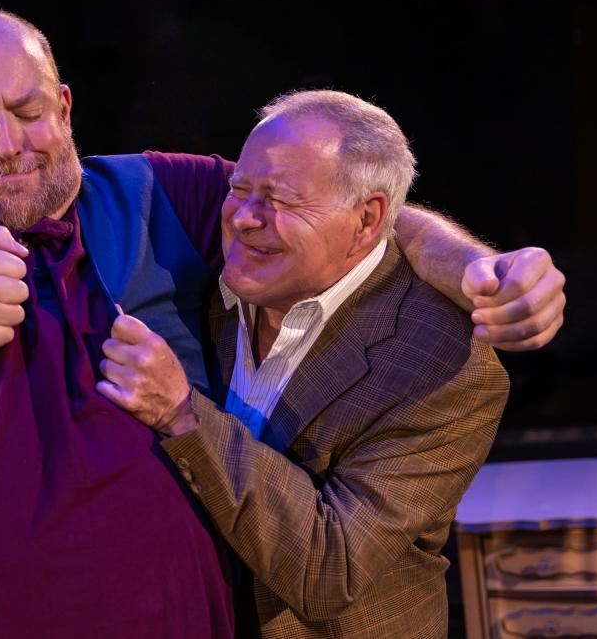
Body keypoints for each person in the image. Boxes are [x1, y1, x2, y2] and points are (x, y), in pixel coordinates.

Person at [0, 9, 562, 637]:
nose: (7, 141)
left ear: (63, 108)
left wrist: (479, 268)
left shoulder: (155, 191)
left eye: (27, 110)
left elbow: (353, 210)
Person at [97, 90, 512, 638]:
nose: (244, 218)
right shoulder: (217, 276)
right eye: (238, 190)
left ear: (366, 220)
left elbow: (329, 572)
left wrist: (181, 412)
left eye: (282, 200)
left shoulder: (446, 370)